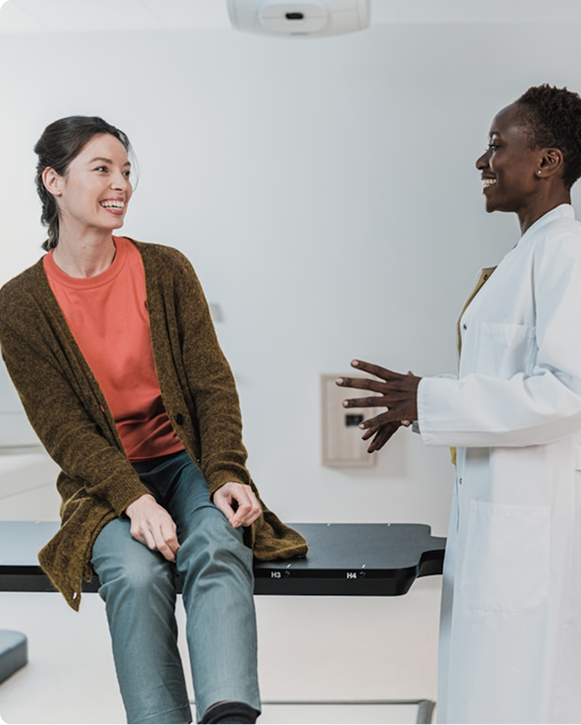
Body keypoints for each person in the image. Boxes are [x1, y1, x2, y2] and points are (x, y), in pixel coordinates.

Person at [0, 116, 308, 725]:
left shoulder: (167, 270)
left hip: (185, 460)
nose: (122, 185)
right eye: (103, 169)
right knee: (136, 575)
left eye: (127, 171)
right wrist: (133, 500)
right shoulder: (18, 305)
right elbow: (63, 430)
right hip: (104, 483)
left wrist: (225, 473)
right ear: (53, 181)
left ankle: (229, 717)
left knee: (218, 541)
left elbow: (210, 385)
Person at [337, 84, 581, 725]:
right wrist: (422, 405)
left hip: (538, 518)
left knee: (529, 692)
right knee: (490, 685)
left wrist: (429, 399)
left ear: (548, 161)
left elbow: (570, 393)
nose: (481, 161)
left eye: (497, 145)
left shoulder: (572, 252)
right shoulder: (530, 257)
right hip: (508, 511)